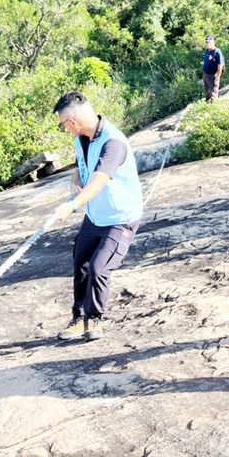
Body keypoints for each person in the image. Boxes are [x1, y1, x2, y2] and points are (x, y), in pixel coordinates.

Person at [50, 91, 144, 342]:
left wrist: (72, 206)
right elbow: (82, 171)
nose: (66, 129)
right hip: (95, 216)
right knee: (80, 261)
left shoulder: (113, 143)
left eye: (63, 125)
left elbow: (100, 180)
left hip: (120, 218)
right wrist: (74, 184)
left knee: (98, 267)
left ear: (72, 122)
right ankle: (79, 318)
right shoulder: (83, 138)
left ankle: (94, 318)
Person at [202, 35, 225, 103]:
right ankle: (208, 104)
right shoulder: (207, 51)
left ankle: (214, 106)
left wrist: (217, 77)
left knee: (213, 92)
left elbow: (220, 65)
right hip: (206, 74)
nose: (208, 44)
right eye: (207, 42)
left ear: (214, 42)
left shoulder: (217, 52)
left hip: (213, 75)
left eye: (209, 42)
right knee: (208, 91)